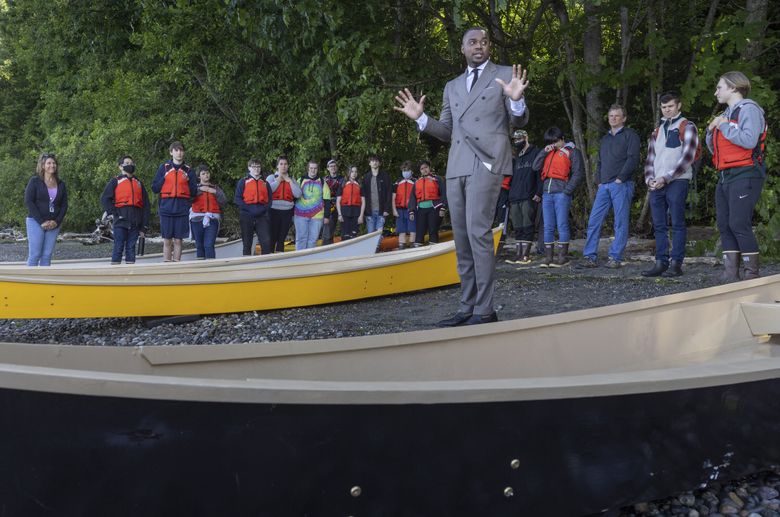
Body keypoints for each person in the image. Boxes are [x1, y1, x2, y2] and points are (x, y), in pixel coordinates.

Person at [394, 26, 529, 326]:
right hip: (457, 166)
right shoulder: (452, 86)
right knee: (463, 238)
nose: (478, 46)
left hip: (487, 162)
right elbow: (446, 131)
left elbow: (518, 119)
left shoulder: (505, 74)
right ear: (462, 48)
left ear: (489, 46)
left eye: (484, 41)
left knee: (479, 233)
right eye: (472, 42)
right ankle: (466, 306)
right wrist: (422, 119)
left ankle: (485, 310)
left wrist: (517, 101)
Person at [706, 72, 767, 281]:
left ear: (733, 88)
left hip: (746, 172)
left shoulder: (749, 109)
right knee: (724, 223)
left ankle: (752, 275)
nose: (716, 93)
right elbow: (716, 149)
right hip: (725, 175)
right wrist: (710, 130)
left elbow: (749, 141)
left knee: (739, 222)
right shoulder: (726, 114)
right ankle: (730, 274)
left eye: (719, 87)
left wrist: (722, 125)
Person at [642, 91, 699, 278]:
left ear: (679, 106)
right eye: (664, 107)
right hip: (656, 184)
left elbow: (687, 158)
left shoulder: (687, 126)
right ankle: (661, 262)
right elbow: (650, 159)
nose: (667, 110)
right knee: (658, 225)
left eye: (671, 106)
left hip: (677, 181)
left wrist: (665, 178)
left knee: (677, 223)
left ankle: (676, 264)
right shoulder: (656, 131)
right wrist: (649, 179)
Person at [577, 105, 640, 269]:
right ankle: (589, 257)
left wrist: (620, 178)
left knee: (620, 222)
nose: (613, 118)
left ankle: (615, 257)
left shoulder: (630, 135)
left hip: (622, 185)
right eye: (611, 115)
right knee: (594, 221)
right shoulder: (605, 139)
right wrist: (599, 181)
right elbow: (600, 162)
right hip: (604, 186)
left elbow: (633, 159)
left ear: (624, 118)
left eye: (617, 116)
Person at [532, 127, 584, 267]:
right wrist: (544, 151)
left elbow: (578, 173)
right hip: (547, 193)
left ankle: (562, 257)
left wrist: (567, 191)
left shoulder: (572, 152)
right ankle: (548, 257)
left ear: (562, 139)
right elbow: (535, 166)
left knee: (562, 225)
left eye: (555, 141)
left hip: (562, 193)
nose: (553, 144)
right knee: (548, 226)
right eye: (550, 142)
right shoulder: (549, 152)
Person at [151, 141, 197, 262]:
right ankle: (166, 265)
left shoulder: (188, 171)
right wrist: (165, 176)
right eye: (176, 150)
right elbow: (155, 188)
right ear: (171, 152)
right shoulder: (164, 168)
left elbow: (194, 193)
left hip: (181, 208)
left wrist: (187, 181)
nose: (179, 153)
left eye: (181, 150)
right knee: (167, 240)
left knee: (178, 240)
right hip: (166, 207)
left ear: (184, 152)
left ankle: (177, 264)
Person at [100, 155, 150, 264]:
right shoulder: (115, 181)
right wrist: (114, 213)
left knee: (131, 248)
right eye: (127, 163)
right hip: (120, 220)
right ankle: (115, 275)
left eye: (131, 163)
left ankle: (130, 275)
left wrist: (144, 226)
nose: (130, 165)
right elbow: (105, 199)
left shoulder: (139, 183)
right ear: (120, 167)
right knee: (118, 247)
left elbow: (146, 206)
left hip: (136, 221)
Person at [25, 152, 68, 266]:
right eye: (49, 163)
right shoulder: (34, 181)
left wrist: (56, 221)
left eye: (54, 163)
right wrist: (41, 222)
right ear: (43, 166)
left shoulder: (61, 184)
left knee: (47, 255)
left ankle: (44, 282)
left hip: (54, 224)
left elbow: (64, 205)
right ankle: (30, 282)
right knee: (35, 254)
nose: (52, 165)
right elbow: (29, 202)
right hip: (35, 222)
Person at [506, 129, 541, 264]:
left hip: (528, 195)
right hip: (515, 196)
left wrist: (538, 192)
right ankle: (518, 254)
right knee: (518, 226)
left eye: (519, 139)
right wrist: (510, 195)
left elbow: (539, 175)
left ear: (526, 138)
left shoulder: (535, 153)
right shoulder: (517, 157)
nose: (517, 142)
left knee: (527, 225)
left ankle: (525, 255)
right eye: (515, 140)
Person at [236, 158, 273, 255]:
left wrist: (264, 209)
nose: (256, 169)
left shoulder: (265, 183)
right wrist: (249, 209)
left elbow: (269, 200)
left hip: (261, 216)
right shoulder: (243, 182)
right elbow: (238, 199)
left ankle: (265, 265)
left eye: (258, 166)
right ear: (249, 168)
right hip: (247, 216)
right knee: (247, 243)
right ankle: (247, 266)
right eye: (254, 166)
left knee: (266, 242)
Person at [190, 164, 227, 259]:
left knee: (209, 245)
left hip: (212, 219)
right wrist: (199, 190)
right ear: (199, 176)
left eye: (207, 173)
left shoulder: (215, 188)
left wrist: (213, 191)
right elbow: (188, 199)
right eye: (203, 173)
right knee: (199, 245)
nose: (206, 175)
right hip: (196, 219)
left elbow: (224, 201)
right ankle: (201, 269)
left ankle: (211, 267)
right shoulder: (195, 188)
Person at [267, 155, 302, 252]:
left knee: (281, 239)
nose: (283, 166)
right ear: (277, 166)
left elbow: (298, 194)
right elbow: (267, 191)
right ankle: (269, 259)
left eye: (285, 164)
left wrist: (289, 181)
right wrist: (278, 180)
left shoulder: (292, 179)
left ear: (288, 166)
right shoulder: (271, 177)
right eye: (281, 164)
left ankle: (279, 261)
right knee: (272, 237)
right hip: (273, 211)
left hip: (287, 212)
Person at [294, 159, 331, 250]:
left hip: (317, 216)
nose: (313, 170)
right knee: (301, 239)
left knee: (313, 240)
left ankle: (309, 261)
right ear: (308, 169)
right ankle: (299, 260)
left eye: (315, 168)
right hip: (301, 215)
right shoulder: (300, 180)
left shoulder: (322, 182)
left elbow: (327, 200)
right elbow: (294, 196)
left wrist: (326, 216)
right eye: (311, 168)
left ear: (317, 169)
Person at [408, 160, 447, 245]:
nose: (424, 170)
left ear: (429, 168)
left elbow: (444, 193)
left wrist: (443, 207)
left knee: (433, 230)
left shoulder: (437, 179)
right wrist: (411, 211)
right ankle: (418, 251)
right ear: (420, 170)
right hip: (421, 209)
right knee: (419, 232)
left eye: (426, 167)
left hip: (434, 208)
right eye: (422, 168)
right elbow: (412, 198)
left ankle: (434, 250)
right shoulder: (417, 182)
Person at [361, 155, 392, 234]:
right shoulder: (366, 177)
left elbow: (389, 193)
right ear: (369, 163)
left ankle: (376, 247)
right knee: (370, 233)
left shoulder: (385, 176)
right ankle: (372, 247)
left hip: (381, 211)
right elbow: (363, 196)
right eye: (372, 161)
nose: (374, 162)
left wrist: (387, 209)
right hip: (369, 211)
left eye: (376, 161)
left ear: (380, 163)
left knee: (379, 233)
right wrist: (364, 211)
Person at [336, 166, 365, 240]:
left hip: (356, 212)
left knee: (353, 236)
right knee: (345, 236)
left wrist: (361, 216)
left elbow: (363, 202)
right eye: (352, 171)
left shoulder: (360, 184)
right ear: (348, 172)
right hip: (345, 212)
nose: (354, 173)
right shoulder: (343, 183)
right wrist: (339, 214)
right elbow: (338, 201)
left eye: (355, 172)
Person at [392, 160, 416, 248]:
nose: (405, 172)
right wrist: (394, 210)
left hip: (411, 209)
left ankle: (413, 245)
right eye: (404, 170)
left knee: (413, 228)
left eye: (407, 170)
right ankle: (402, 246)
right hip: (399, 209)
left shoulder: (415, 182)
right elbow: (393, 198)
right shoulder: (397, 182)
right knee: (401, 230)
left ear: (411, 171)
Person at [322, 159, 344, 245]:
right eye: (331, 166)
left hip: (340, 206)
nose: (333, 168)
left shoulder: (342, 179)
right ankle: (326, 248)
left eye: (334, 166)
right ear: (328, 168)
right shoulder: (324, 179)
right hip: (329, 207)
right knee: (328, 230)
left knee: (344, 229)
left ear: (337, 167)